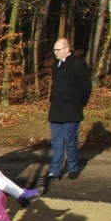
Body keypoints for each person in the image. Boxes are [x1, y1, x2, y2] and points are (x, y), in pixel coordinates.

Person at [43, 37, 91, 181]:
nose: (55, 53)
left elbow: (86, 86)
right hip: (56, 109)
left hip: (72, 109)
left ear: (66, 49)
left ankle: (72, 168)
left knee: (70, 140)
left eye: (57, 50)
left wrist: (80, 103)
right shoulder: (56, 64)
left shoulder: (78, 63)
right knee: (56, 141)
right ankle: (55, 170)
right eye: (54, 50)